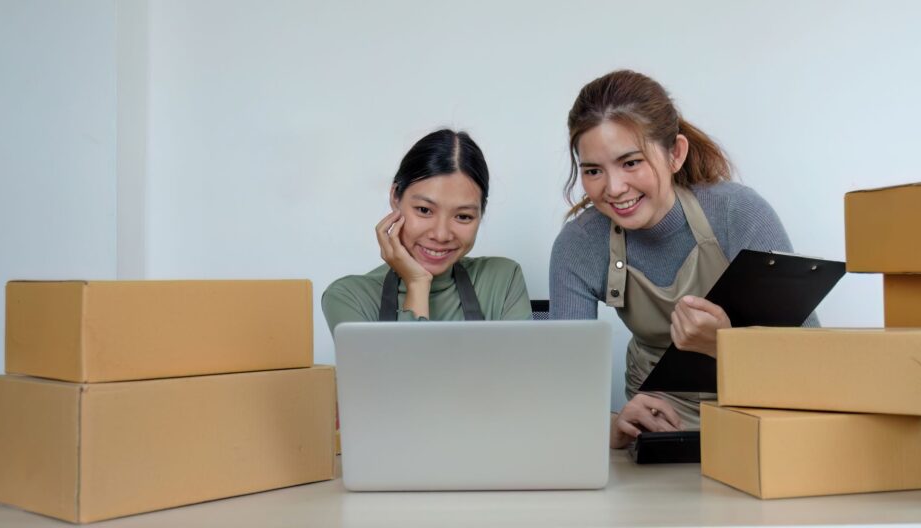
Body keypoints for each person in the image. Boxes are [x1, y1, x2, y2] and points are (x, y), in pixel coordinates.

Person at [549, 70, 817, 448]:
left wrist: (722, 344)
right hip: (663, 434)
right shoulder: (579, 244)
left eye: (630, 163)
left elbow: (816, 361)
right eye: (593, 171)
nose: (613, 188)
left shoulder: (737, 214)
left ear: (675, 153)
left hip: (763, 421)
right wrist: (613, 424)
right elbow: (566, 394)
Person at [322, 129, 531, 332]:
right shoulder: (349, 297)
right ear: (396, 197)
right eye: (424, 210)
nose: (441, 235)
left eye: (463, 216)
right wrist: (417, 284)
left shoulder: (503, 280)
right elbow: (405, 369)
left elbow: (523, 368)